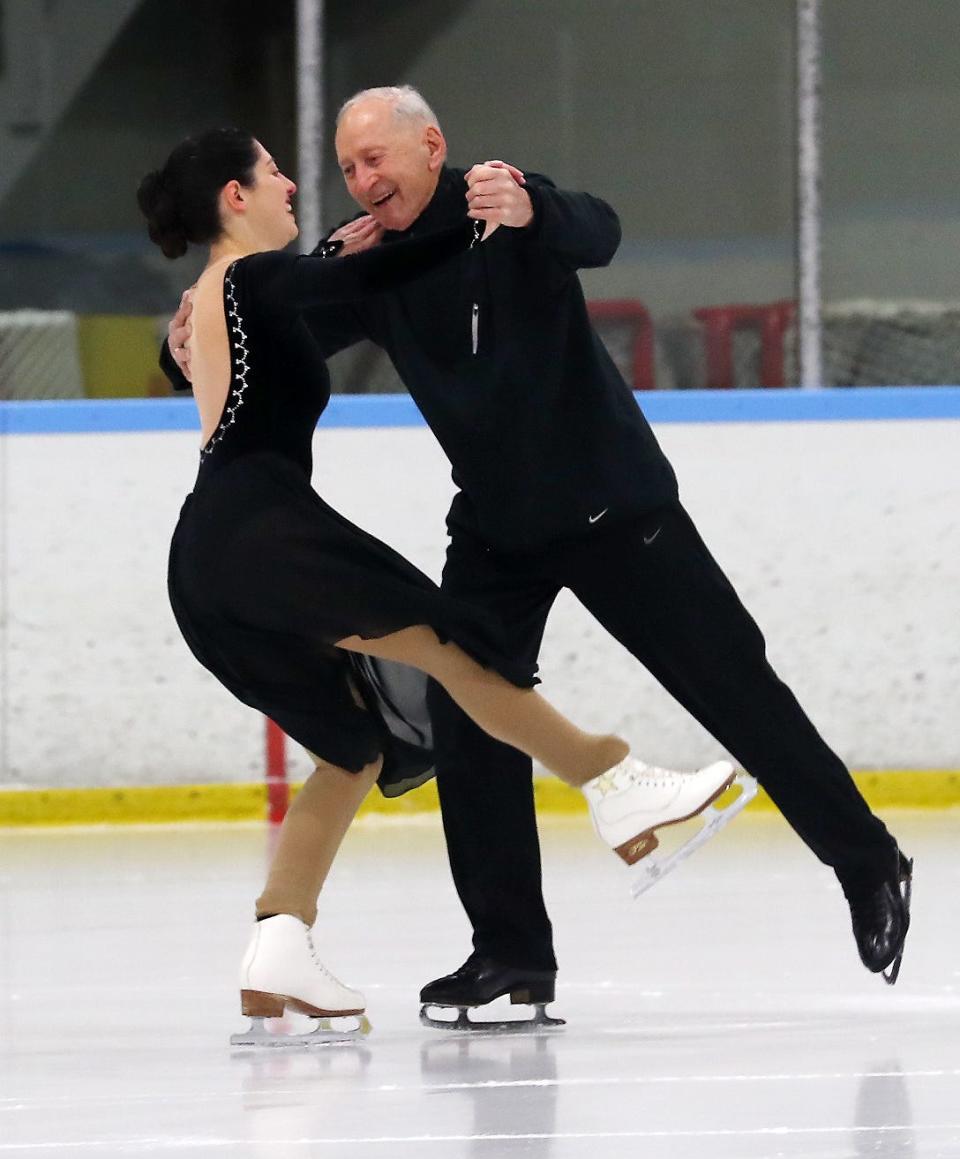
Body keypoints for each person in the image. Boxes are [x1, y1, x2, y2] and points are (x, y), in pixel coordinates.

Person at [165, 88, 912, 1010]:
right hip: (496, 527)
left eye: (375, 160)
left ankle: (866, 860)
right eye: (347, 168)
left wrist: (536, 206)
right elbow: (273, 332)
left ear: (431, 146)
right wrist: (187, 345)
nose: (361, 181)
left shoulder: (502, 202)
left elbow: (600, 231)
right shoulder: (376, 262)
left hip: (608, 501)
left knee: (732, 685)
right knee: (472, 710)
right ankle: (511, 953)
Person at [139, 127, 736, 1039]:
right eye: (272, 170)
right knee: (457, 644)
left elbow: (301, 297)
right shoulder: (249, 280)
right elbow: (361, 285)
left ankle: (280, 941)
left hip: (210, 559)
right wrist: (477, 222)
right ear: (233, 195)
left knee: (355, 746)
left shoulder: (220, 295)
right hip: (265, 536)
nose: (295, 183)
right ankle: (614, 779)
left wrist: (346, 246)